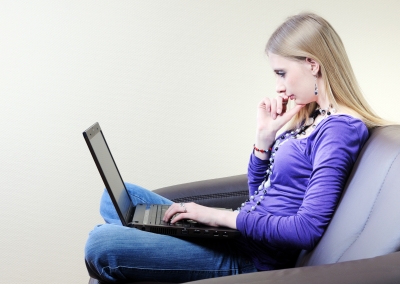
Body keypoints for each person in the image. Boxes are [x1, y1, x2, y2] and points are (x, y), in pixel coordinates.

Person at [85, 12, 387, 283]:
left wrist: (215, 217)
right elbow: (261, 195)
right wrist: (263, 140)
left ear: (312, 64)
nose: (279, 86)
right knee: (114, 199)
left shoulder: (340, 129)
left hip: (252, 260)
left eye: (281, 72)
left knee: (101, 244)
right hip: (239, 235)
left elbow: (306, 228)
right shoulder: (310, 116)